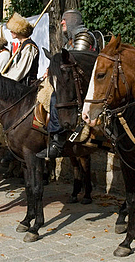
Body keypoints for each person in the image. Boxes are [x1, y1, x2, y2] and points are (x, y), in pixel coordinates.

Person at [37, 9, 98, 159]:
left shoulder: (84, 37)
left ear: (72, 21)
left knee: (55, 97)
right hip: (73, 81)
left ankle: (58, 141)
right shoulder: (70, 41)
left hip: (85, 83)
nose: (61, 22)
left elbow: (76, 63)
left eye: (64, 20)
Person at [2, 12, 39, 85]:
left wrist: (5, 79)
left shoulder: (29, 47)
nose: (10, 32)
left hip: (26, 87)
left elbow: (20, 70)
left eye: (12, 30)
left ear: (18, 31)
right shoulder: (22, 45)